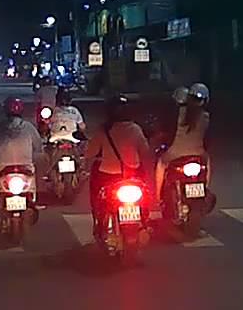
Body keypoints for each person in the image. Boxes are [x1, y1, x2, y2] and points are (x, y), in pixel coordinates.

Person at [82, 94, 153, 239]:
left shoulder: (104, 130)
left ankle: (98, 222)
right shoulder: (135, 129)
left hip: (107, 175)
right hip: (133, 175)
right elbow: (146, 153)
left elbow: (90, 152)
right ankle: (144, 220)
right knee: (145, 195)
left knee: (97, 199)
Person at [155, 82, 211, 197]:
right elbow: (208, 137)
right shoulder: (205, 116)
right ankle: (205, 189)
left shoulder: (179, 113)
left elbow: (167, 130)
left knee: (161, 164)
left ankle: (157, 196)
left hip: (175, 153)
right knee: (208, 163)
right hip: (198, 153)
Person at [0, 96, 43, 192]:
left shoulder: (1, 127)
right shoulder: (29, 126)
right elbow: (38, 146)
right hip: (26, 165)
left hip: (3, 166)